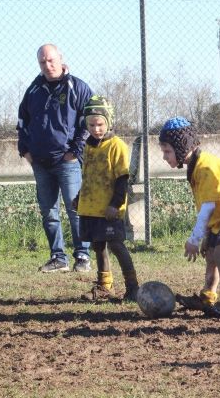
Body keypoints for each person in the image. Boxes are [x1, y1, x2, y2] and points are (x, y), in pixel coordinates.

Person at [159, 117, 220, 318]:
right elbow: (209, 205)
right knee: (211, 254)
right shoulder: (196, 165)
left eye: (167, 151)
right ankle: (207, 297)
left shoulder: (205, 167)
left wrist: (194, 240)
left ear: (181, 146)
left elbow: (207, 208)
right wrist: (205, 237)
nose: (164, 157)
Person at [17, 44, 92, 273]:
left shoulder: (77, 87)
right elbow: (22, 122)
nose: (47, 65)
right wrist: (26, 151)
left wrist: (74, 152)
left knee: (75, 209)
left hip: (67, 162)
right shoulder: (33, 90)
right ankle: (58, 258)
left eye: (51, 60)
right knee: (49, 212)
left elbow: (90, 121)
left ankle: (82, 256)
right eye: (42, 62)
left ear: (60, 59)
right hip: (40, 162)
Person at [74, 96, 139, 302]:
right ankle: (104, 286)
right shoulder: (88, 146)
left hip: (109, 208)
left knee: (117, 245)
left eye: (100, 124)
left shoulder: (117, 146)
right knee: (98, 245)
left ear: (108, 122)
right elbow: (88, 176)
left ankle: (133, 286)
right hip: (91, 208)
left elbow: (122, 179)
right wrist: (79, 197)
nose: (96, 129)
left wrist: (115, 204)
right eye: (91, 124)